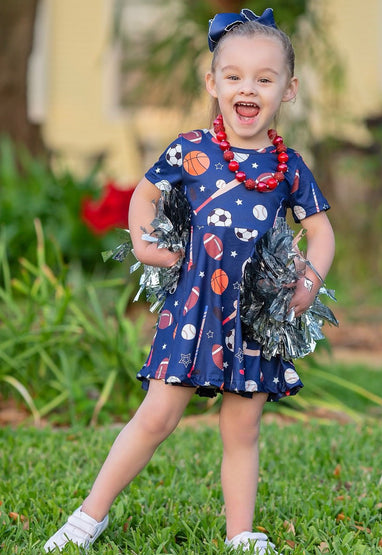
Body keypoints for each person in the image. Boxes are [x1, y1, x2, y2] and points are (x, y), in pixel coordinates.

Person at [44, 8, 335, 554]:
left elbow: (321, 231)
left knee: (241, 430)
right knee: (156, 416)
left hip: (255, 316)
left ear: (288, 90)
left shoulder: (288, 166)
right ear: (213, 82)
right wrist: (142, 243)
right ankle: (89, 515)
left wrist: (310, 280)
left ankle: (240, 533)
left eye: (264, 79)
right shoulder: (192, 150)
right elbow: (145, 195)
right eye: (234, 76)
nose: (248, 88)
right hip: (195, 306)